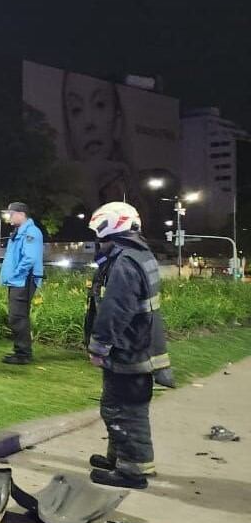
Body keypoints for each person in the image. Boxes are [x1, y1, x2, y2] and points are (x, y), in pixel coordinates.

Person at [84, 201, 169, 489]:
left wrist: (98, 346)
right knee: (117, 405)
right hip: (136, 346)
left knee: (125, 411)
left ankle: (132, 471)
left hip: (130, 349)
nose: (98, 238)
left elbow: (116, 309)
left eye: (100, 231)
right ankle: (119, 458)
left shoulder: (125, 262)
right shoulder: (136, 254)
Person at [0, 201, 44, 365]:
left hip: (23, 280)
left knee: (17, 317)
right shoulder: (20, 232)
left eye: (11, 214)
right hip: (18, 280)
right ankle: (21, 351)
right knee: (17, 316)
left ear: (21, 214)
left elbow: (29, 259)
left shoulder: (31, 232)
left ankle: (23, 354)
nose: (8, 217)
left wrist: (16, 275)